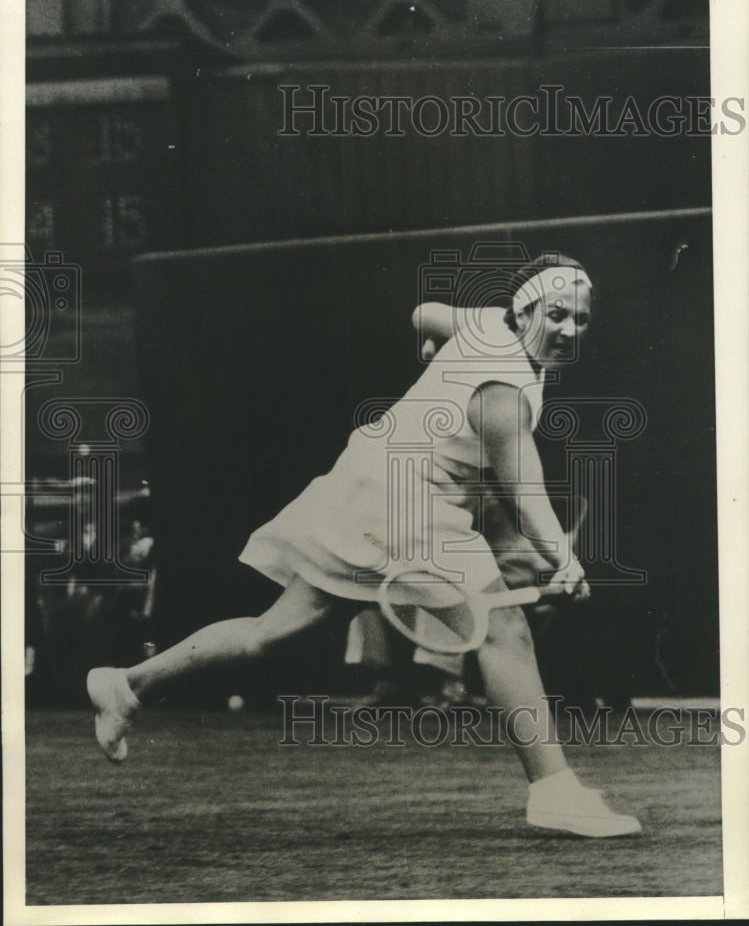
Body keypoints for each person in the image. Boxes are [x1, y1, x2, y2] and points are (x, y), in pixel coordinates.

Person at [87, 253, 641, 837]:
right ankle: (554, 792)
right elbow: (523, 492)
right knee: (504, 631)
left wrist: (432, 352)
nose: (569, 331)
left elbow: (425, 313)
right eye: (557, 314)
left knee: (270, 632)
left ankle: (127, 684)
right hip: (407, 503)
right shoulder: (502, 388)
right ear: (525, 308)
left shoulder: (486, 322)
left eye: (580, 320)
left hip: (367, 483)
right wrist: (566, 558)